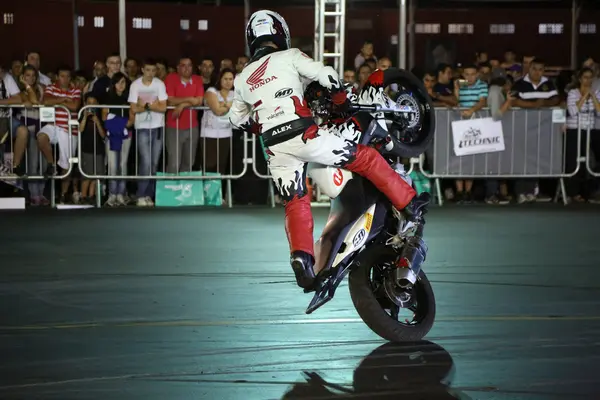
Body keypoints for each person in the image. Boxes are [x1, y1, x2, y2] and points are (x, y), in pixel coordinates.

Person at [229, 10, 429, 291]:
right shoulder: (290, 56)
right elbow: (326, 75)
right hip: (303, 132)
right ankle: (408, 204)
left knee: (296, 200)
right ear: (279, 33)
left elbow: (236, 120)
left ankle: (302, 260)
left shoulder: (243, 78)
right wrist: (341, 97)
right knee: (366, 157)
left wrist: (261, 127)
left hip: (274, 146)